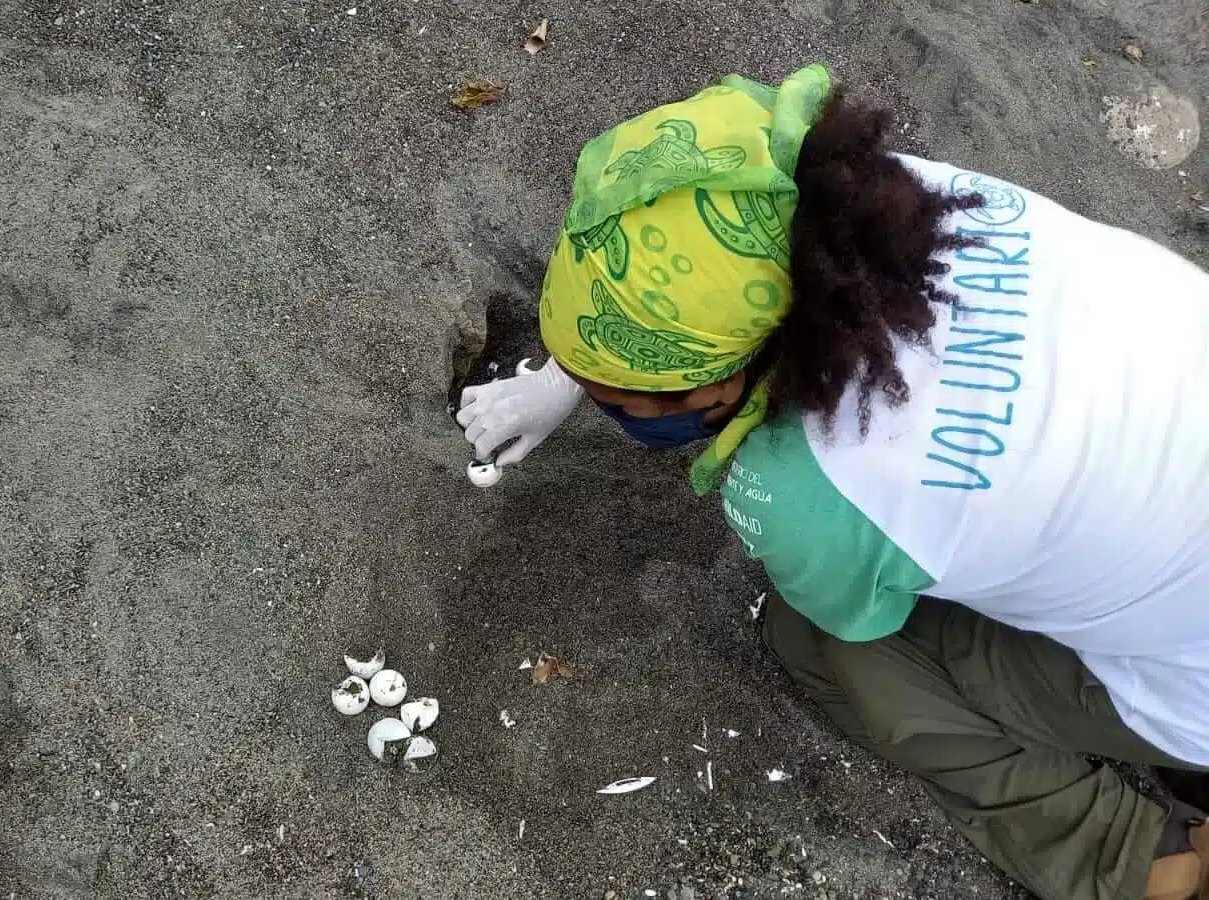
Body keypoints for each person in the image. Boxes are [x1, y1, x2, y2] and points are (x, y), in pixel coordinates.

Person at [455, 64, 1209, 900]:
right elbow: (681, 274)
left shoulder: (812, 492)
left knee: (822, 646)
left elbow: (863, 618)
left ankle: (1142, 860)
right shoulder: (874, 202)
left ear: (714, 390)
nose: (600, 401)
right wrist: (567, 372)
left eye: (611, 393)